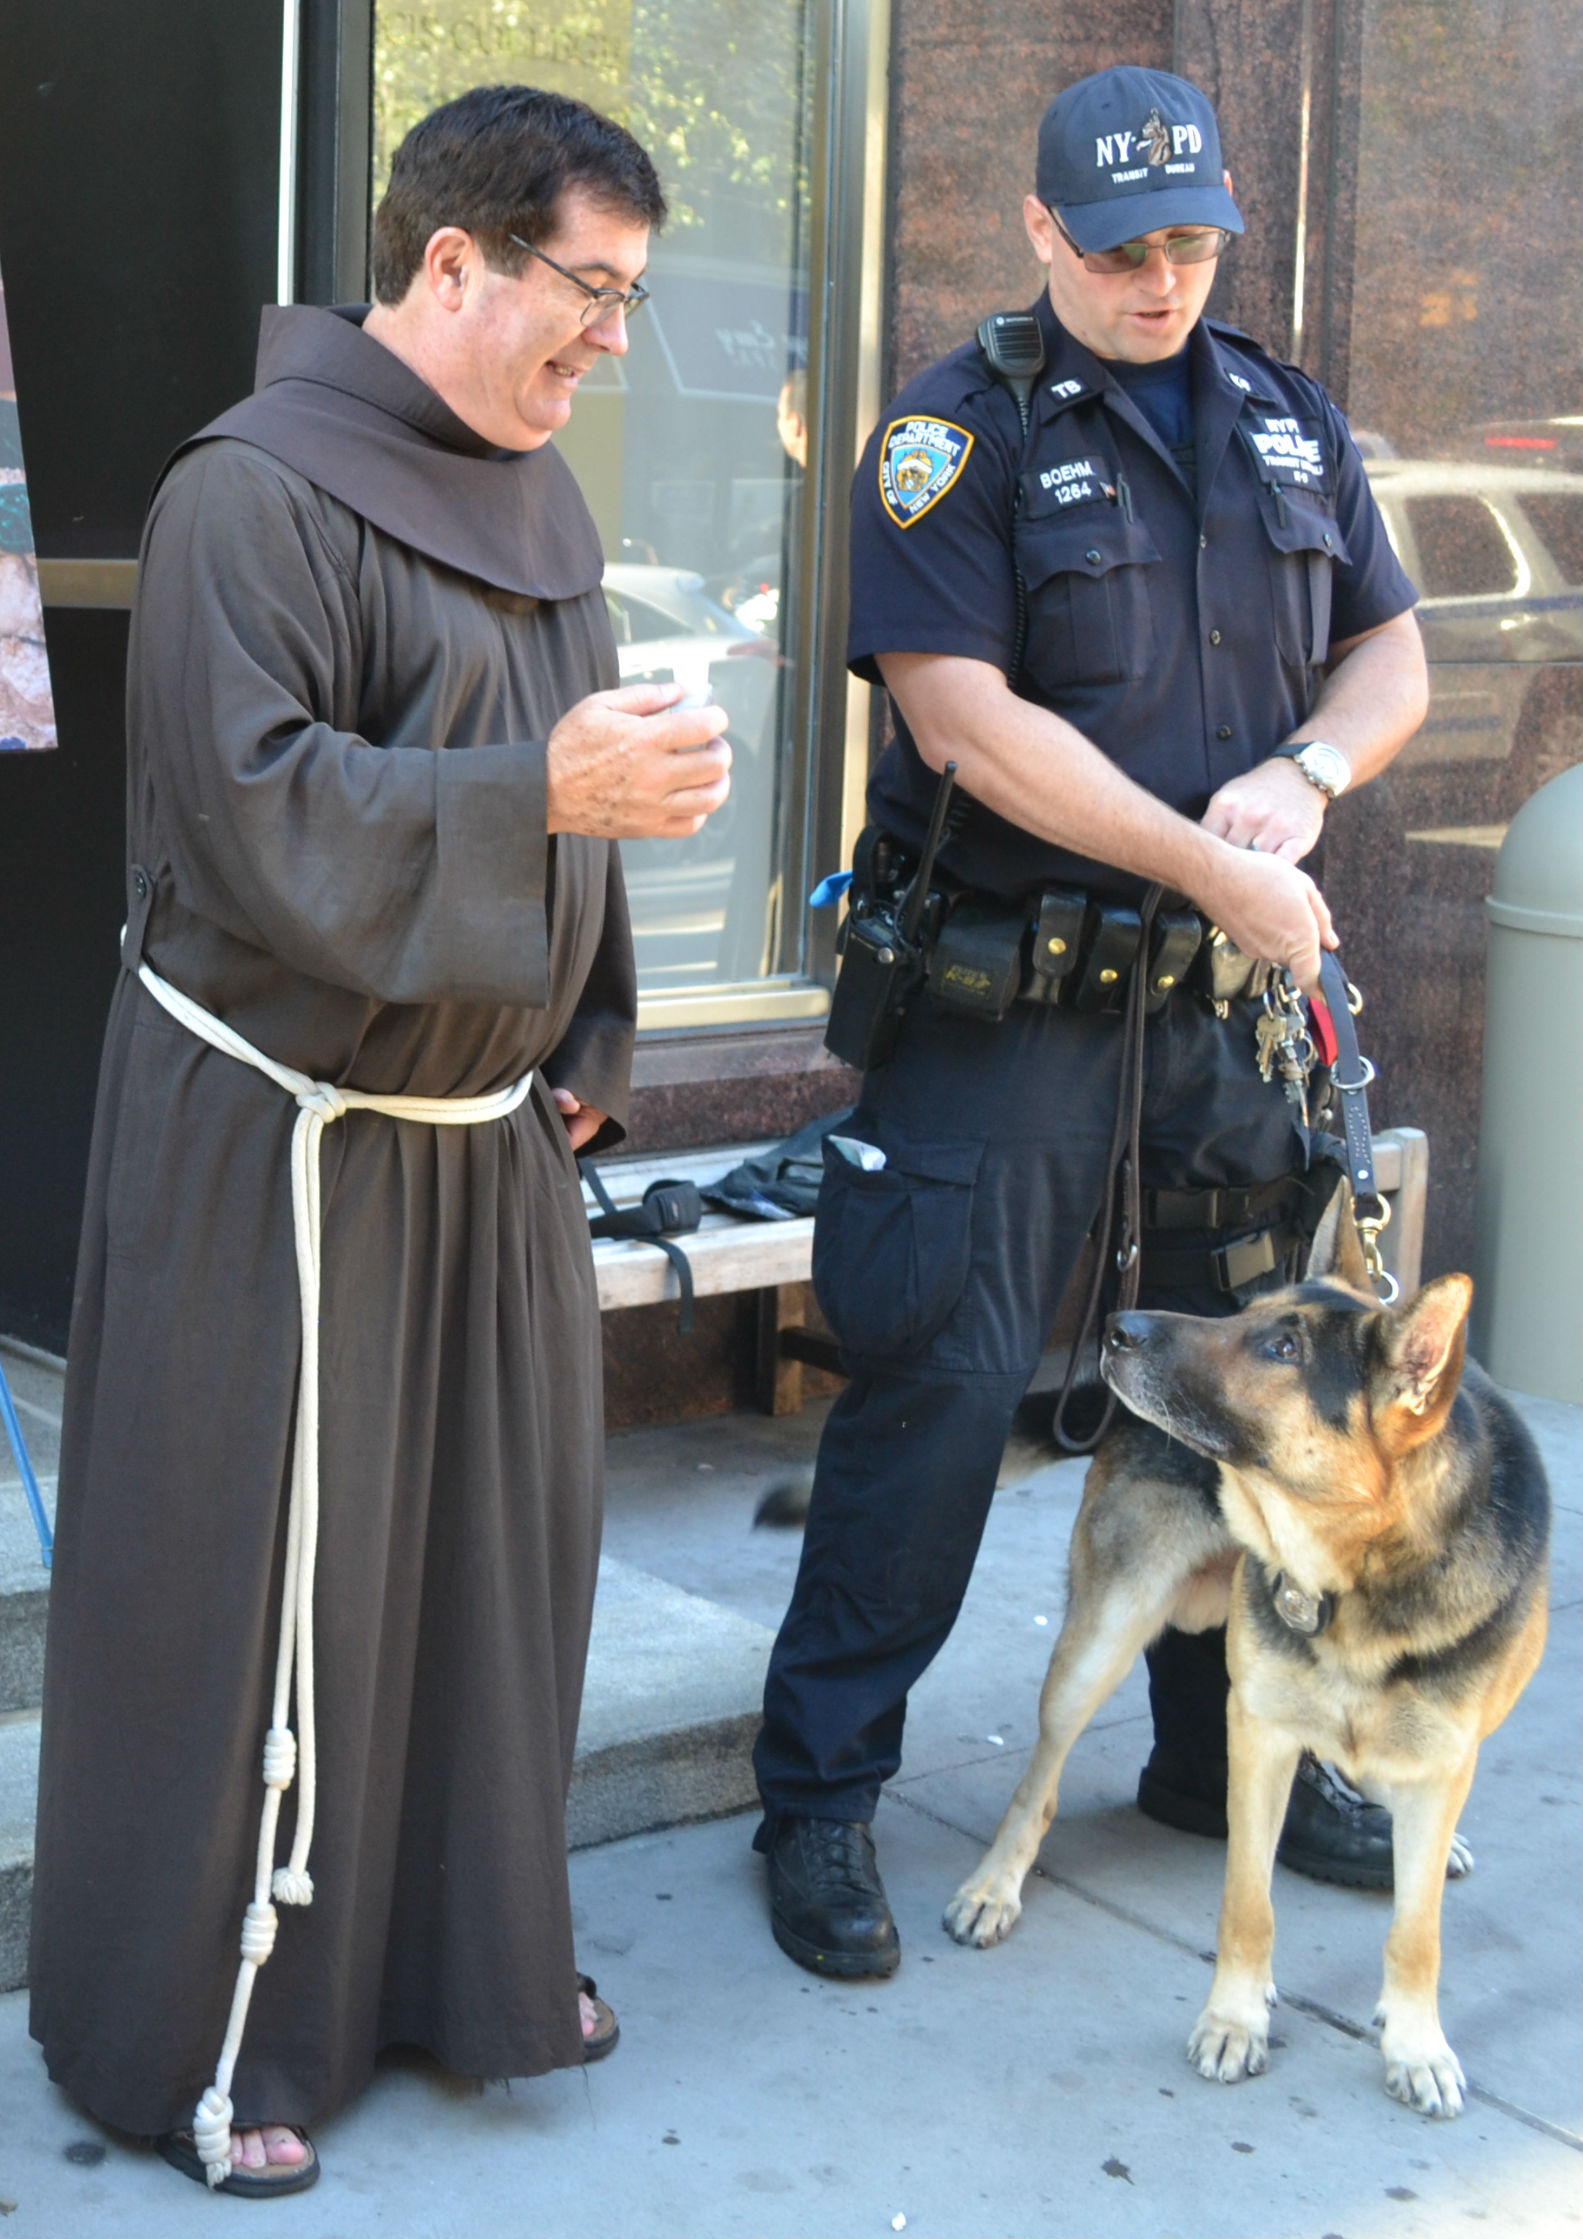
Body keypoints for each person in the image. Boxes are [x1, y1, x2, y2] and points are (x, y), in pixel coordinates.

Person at [29, 85, 731, 2191]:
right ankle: (201, 2029)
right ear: (452, 263)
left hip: (483, 1139)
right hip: (283, 1157)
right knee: (256, 1594)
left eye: (627, 301)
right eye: (587, 295)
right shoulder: (247, 497)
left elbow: (581, 796)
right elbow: (257, 827)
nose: (610, 345)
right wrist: (544, 803)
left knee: (490, 1578)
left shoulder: (540, 504)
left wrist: (586, 1023)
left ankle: (461, 1966)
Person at [752, 63, 1430, 1978]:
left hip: (1228, 1025)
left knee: (1250, 1409)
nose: (1162, 278)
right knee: (941, 1400)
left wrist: (1306, 773)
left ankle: (1222, 1764)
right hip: (1003, 1012)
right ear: (1044, 230)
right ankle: (823, 1799)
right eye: (1122, 246)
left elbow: (1395, 647)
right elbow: (965, 721)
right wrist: (1210, 865)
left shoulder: (1288, 420)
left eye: (1192, 241)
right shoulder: (953, 437)